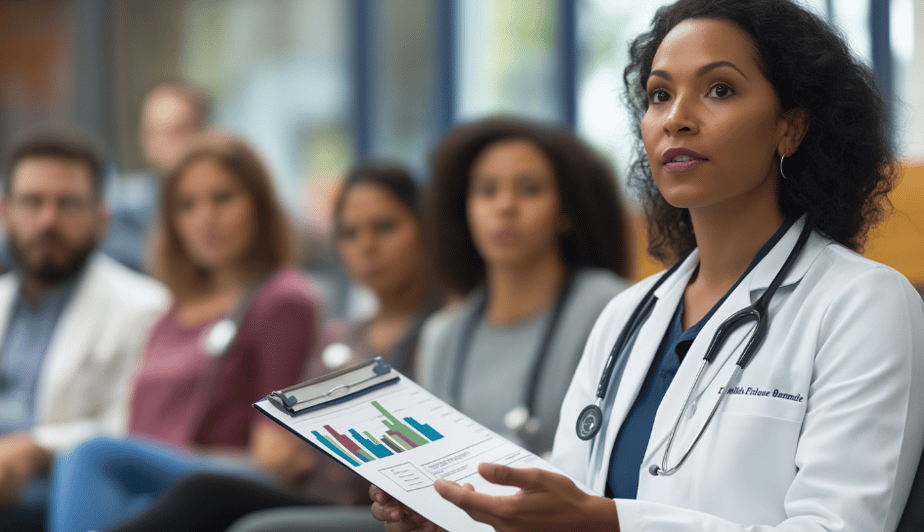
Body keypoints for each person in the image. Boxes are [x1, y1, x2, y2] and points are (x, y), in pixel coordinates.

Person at [370, 1, 924, 531]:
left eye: (719, 89)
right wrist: (464, 517)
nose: (676, 119)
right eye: (659, 95)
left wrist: (611, 524)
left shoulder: (865, 305)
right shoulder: (626, 315)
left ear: (791, 127)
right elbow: (562, 513)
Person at [84, 161, 438, 532]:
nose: (366, 246)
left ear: (425, 230)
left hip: (377, 509)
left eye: (385, 227)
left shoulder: (436, 332)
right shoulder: (338, 334)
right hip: (312, 493)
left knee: (214, 502)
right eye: (349, 233)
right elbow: (287, 441)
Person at [47, 132, 320, 532]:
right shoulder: (168, 311)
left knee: (89, 455)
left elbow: (277, 457)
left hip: (216, 486)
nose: (205, 218)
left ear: (259, 206)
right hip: (150, 483)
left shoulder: (281, 300)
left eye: (223, 198)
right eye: (187, 205)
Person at [417, 116, 632, 456]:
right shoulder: (443, 335)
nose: (505, 206)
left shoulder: (611, 307)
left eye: (529, 189)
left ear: (565, 212)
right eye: (487, 191)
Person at [0, 132, 167, 529]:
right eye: (32, 202)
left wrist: (35, 448)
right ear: (6, 211)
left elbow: (134, 427)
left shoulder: (145, 307)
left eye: (68, 204)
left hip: (60, 493)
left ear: (102, 216)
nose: (48, 220)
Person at [104, 79, 210, 272]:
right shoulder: (122, 210)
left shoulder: (224, 202)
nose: (162, 144)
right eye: (153, 132)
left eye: (176, 131)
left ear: (203, 133)